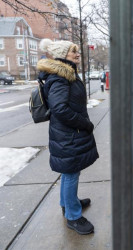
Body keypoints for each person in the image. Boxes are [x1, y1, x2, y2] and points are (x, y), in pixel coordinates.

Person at [37, 38, 99, 235]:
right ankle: (73, 216)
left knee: (70, 171)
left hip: (69, 134)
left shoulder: (66, 73)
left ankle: (68, 203)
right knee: (71, 172)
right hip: (69, 135)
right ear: (63, 56)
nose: (77, 54)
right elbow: (60, 109)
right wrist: (85, 123)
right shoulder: (60, 77)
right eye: (73, 51)